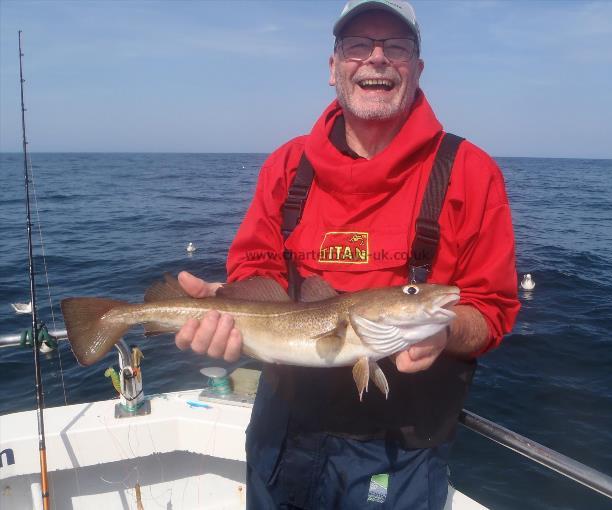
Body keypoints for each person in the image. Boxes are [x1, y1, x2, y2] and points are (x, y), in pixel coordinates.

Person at [175, 1, 519, 508]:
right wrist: (228, 311)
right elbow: (254, 269)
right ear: (332, 67)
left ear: (418, 68)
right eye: (357, 45)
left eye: (395, 47)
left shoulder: (471, 172)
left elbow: (491, 309)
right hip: (282, 429)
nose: (376, 58)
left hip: (401, 449)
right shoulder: (286, 166)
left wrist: (445, 331)